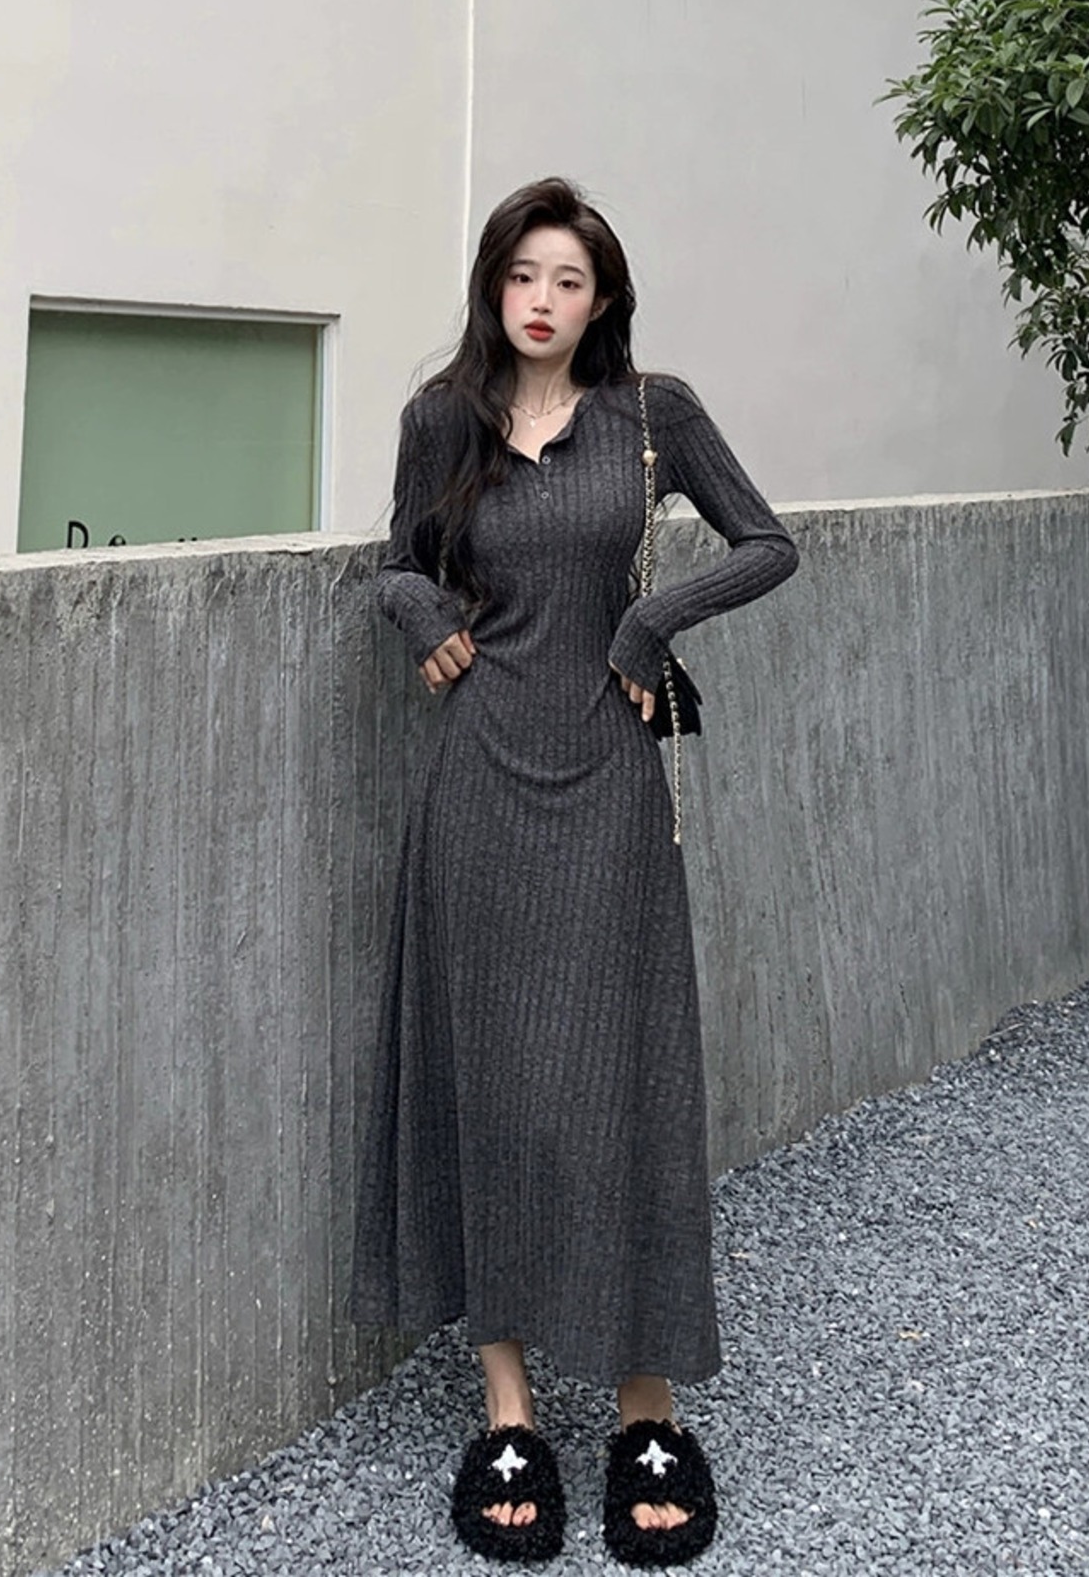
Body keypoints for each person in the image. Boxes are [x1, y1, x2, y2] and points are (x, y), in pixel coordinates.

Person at [349, 176, 799, 1566]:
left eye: (570, 280)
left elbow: (770, 544)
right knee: (489, 1079)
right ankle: (510, 1412)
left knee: (627, 1076)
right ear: (494, 285)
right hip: (479, 783)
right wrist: (415, 604)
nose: (542, 301)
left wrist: (652, 623)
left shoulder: (654, 415)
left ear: (603, 301)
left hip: (609, 778)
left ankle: (644, 1412)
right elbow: (397, 559)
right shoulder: (442, 419)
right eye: (523, 275)